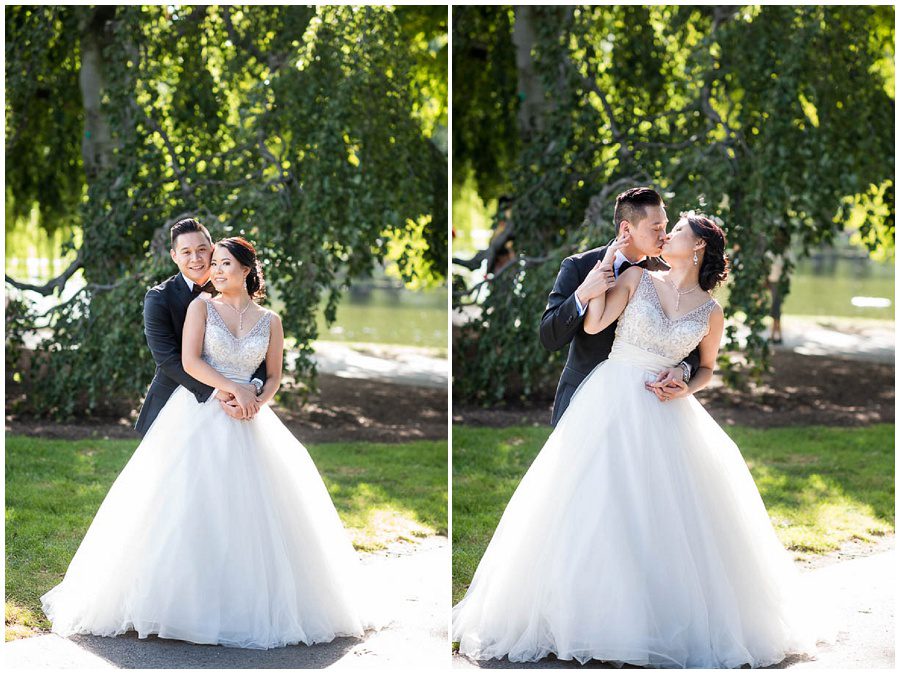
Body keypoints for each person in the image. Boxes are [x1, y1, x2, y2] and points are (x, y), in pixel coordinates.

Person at [453, 213, 824, 668]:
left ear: (698, 247)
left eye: (679, 231)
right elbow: (592, 328)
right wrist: (596, 280)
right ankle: (583, 614)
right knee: (595, 501)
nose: (667, 236)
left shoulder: (711, 312)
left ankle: (655, 620)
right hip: (610, 398)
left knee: (666, 512)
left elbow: (706, 368)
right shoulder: (636, 277)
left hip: (667, 410)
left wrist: (685, 379)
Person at [41, 234, 378, 648]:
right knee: (186, 502)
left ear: (247, 270)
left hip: (250, 416)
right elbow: (188, 361)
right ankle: (176, 604)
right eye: (212, 263)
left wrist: (255, 399)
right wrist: (230, 390)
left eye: (223, 264)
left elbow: (273, 375)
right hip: (199, 410)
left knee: (258, 510)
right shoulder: (200, 307)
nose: (214, 270)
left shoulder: (270, 319)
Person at [540, 187, 701, 426]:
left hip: (643, 405)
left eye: (665, 226)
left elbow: (691, 339)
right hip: (581, 398)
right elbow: (550, 338)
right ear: (626, 228)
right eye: (656, 228)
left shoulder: (667, 276)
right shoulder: (579, 266)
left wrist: (683, 369)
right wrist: (584, 293)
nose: (664, 235)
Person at [134, 218, 266, 436]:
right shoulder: (158, 298)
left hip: (237, 403)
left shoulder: (233, 289)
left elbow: (259, 344)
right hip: (175, 402)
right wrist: (219, 391)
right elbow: (167, 360)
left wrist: (252, 387)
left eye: (201, 250)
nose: (195, 259)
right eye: (186, 252)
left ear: (213, 250)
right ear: (174, 256)